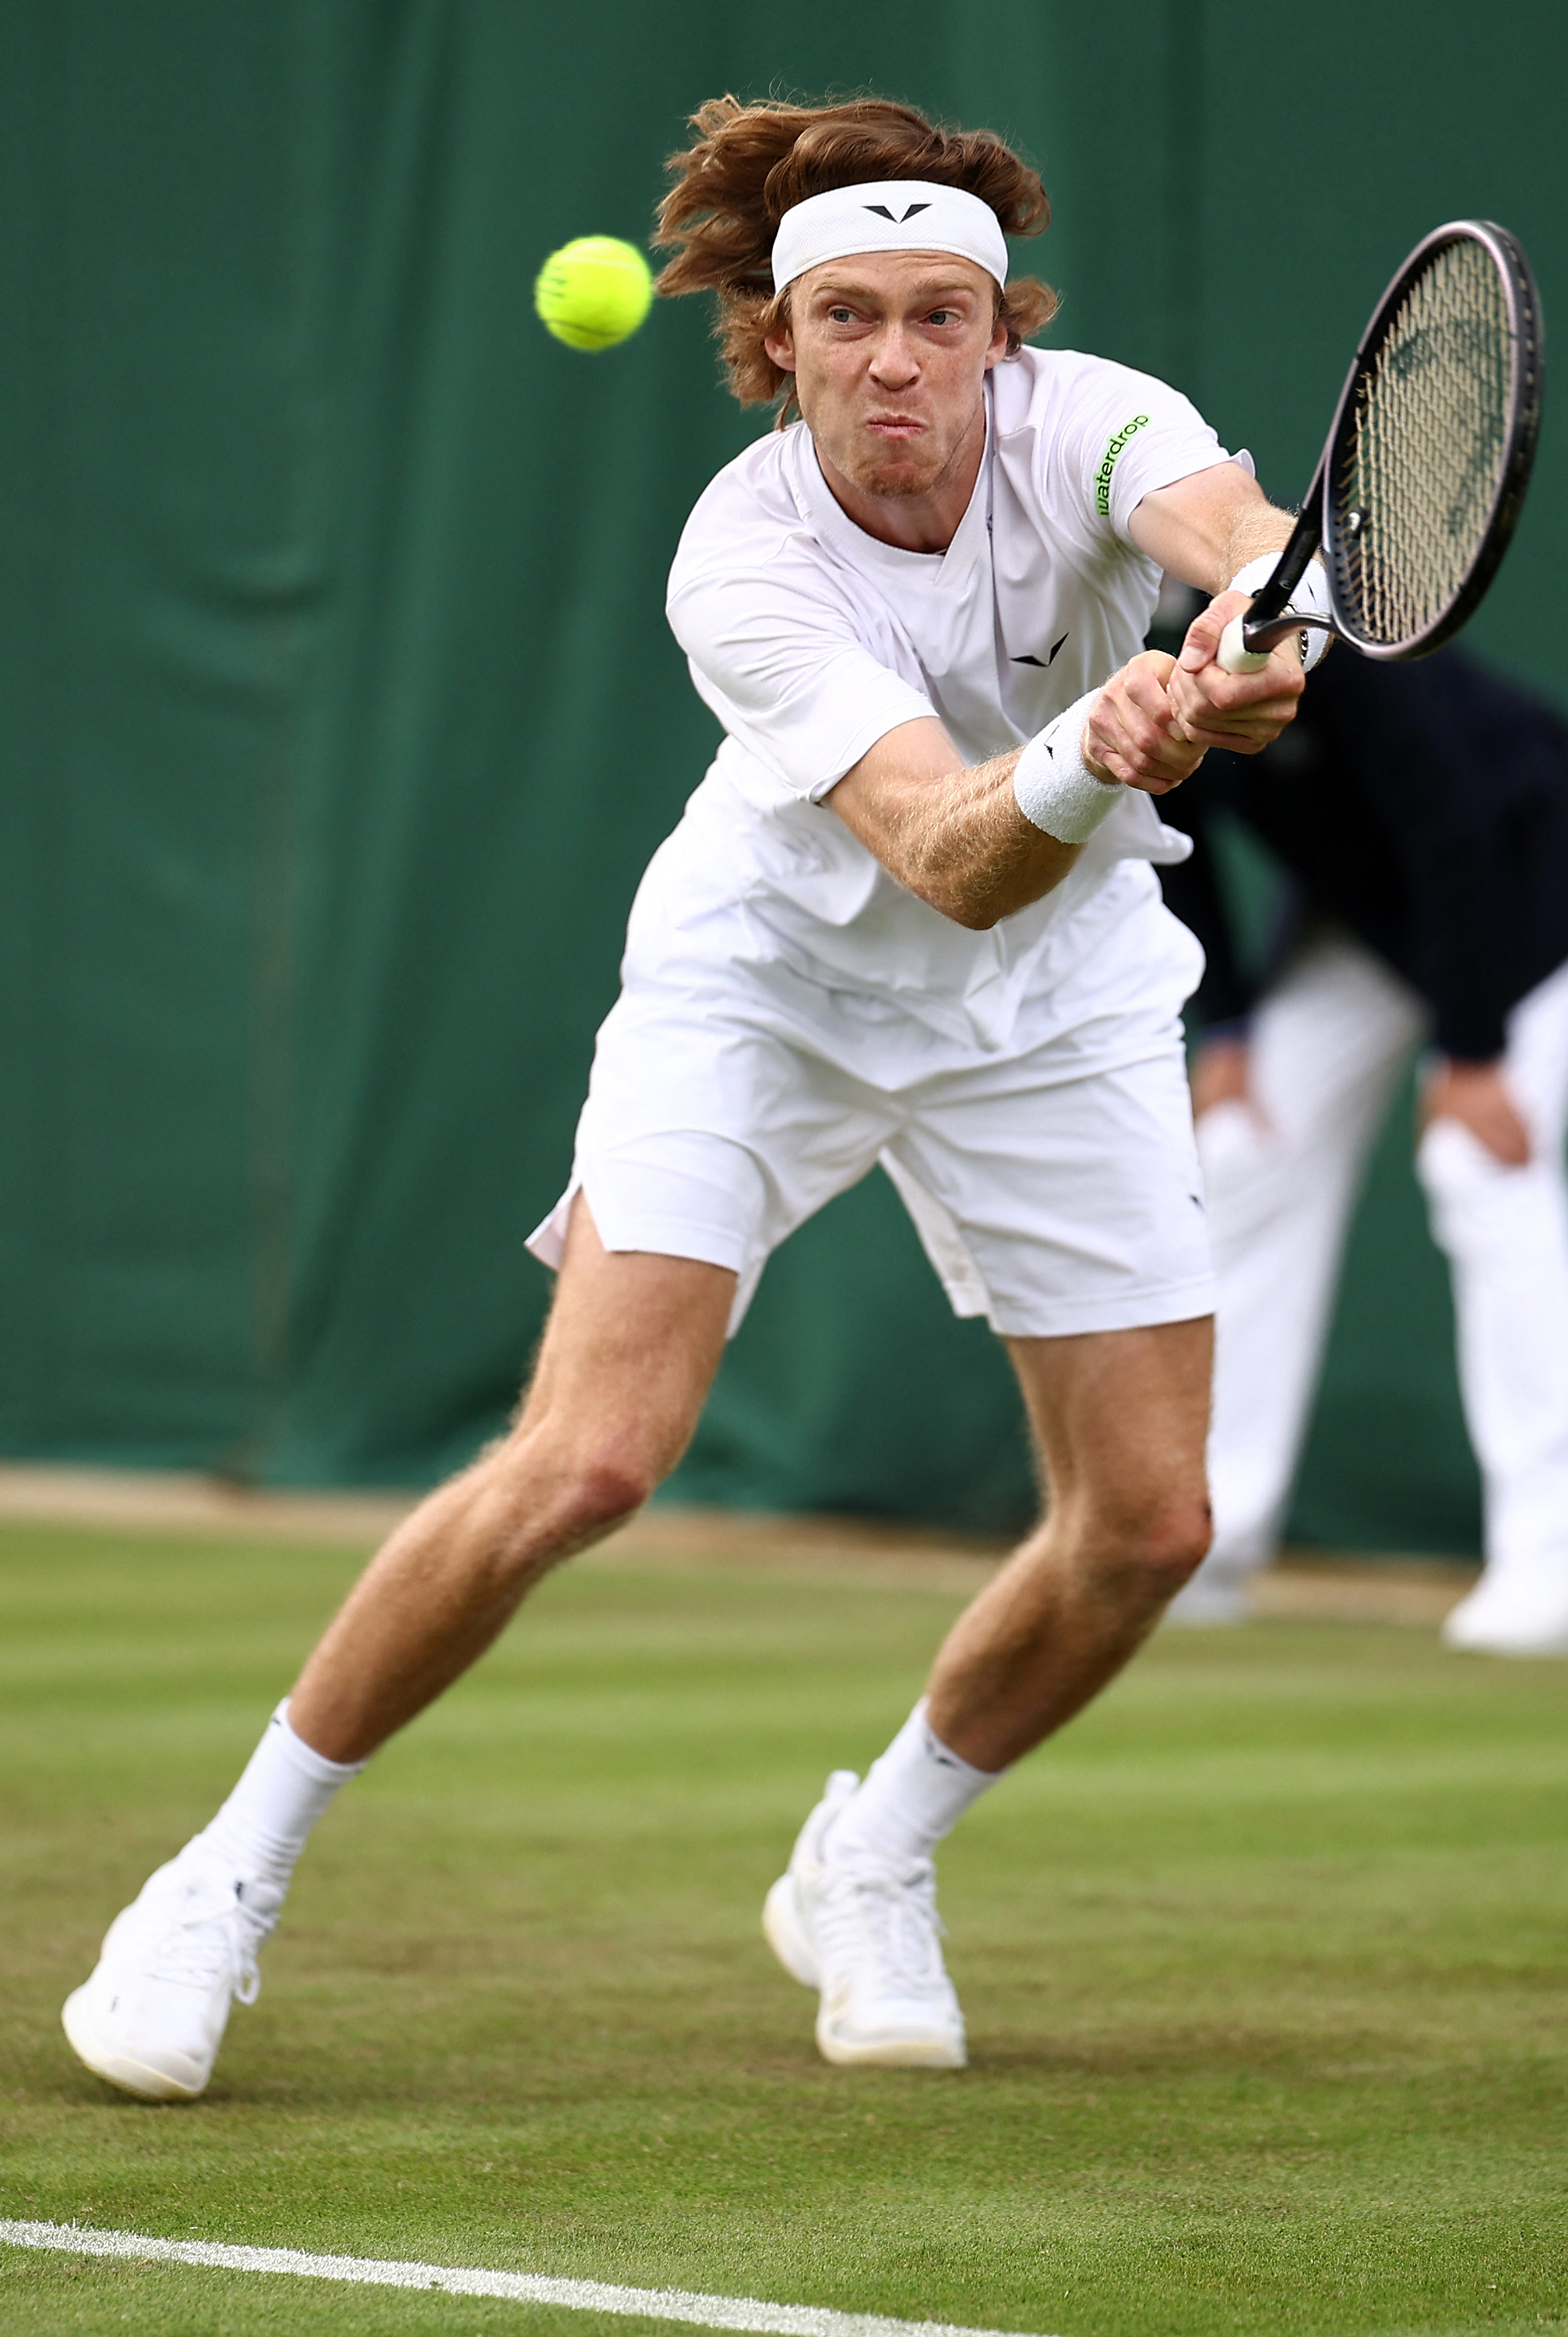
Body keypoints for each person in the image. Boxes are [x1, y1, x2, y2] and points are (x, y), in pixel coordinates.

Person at [62, 93, 1311, 2102]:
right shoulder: (737, 561)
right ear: (776, 336)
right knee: (586, 1463)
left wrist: (1251, 634)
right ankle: (219, 1877)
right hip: (769, 984)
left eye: (934, 316)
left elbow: (1232, 540)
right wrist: (1104, 733)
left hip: (1060, 1005)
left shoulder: (1095, 418)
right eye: (845, 321)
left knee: (1149, 1523)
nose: (894, 359)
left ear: (999, 336)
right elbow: (946, 851)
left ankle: (871, 1854)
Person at [1157, 638, 1568, 1655]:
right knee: (1242, 1151)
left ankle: (1560, 1553)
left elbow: (1450, 828)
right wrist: (1222, 1029)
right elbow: (1163, 824)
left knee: (1478, 1166)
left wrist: (1472, 1050)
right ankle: (1205, 1531)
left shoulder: (1335, 655)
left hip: (1532, 876)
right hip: (1366, 913)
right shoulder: (1128, 641)